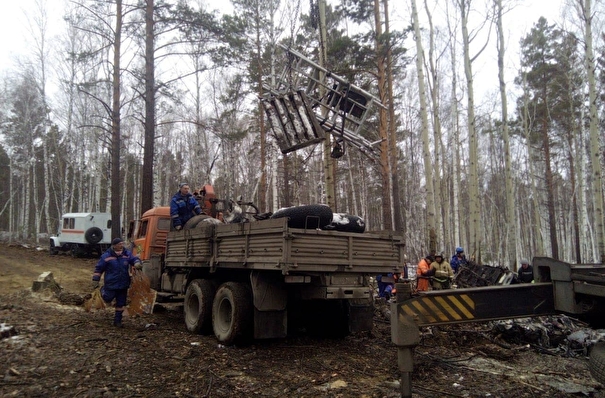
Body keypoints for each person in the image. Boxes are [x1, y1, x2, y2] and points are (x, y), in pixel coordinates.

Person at [91, 238, 142, 327]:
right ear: (114, 246)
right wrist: (96, 280)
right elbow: (99, 269)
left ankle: (117, 321)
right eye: (119, 244)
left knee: (121, 304)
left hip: (123, 284)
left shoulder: (126, 254)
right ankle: (103, 291)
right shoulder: (106, 256)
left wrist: (137, 263)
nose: (121, 245)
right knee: (108, 298)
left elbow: (134, 259)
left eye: (122, 244)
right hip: (111, 283)